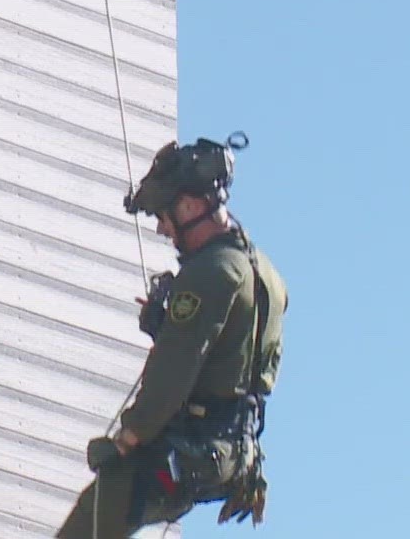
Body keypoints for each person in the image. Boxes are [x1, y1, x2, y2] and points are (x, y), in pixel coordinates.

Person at [57, 137, 289, 537]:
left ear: (190, 206)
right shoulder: (265, 272)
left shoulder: (210, 273)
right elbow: (239, 362)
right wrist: (166, 327)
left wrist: (126, 439)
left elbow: (172, 374)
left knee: (87, 526)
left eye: (164, 216)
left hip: (193, 448)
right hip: (234, 453)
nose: (164, 229)